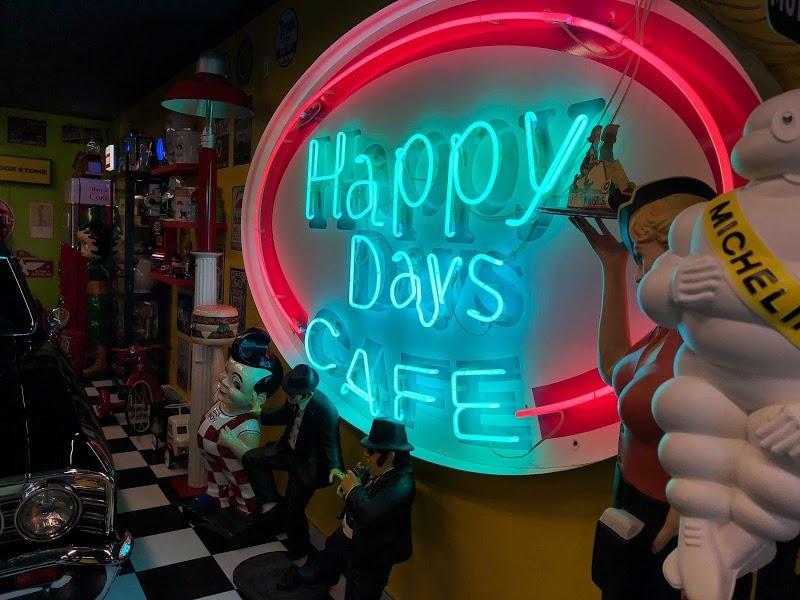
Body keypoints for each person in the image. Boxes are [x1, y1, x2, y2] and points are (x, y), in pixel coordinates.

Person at [570, 176, 744, 599]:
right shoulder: (669, 328)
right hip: (630, 507)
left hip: (677, 520)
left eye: (642, 258)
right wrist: (612, 266)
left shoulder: (721, 338)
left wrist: (706, 503)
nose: (639, 277)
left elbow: (753, 427)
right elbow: (616, 369)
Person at [240, 363, 344, 589]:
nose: (290, 399)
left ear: (308, 393)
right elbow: (282, 413)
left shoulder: (324, 410)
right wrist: (259, 412)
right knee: (252, 458)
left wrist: (335, 467)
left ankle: (300, 560)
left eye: (294, 396)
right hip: (287, 451)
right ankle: (271, 504)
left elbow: (331, 443)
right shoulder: (294, 399)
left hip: (307, 466)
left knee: (294, 512)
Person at [295, 418, 416, 600]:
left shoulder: (402, 484)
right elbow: (363, 491)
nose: (366, 454)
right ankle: (322, 579)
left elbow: (370, 512)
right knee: (331, 554)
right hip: (351, 533)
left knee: (360, 589)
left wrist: (352, 489)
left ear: (390, 456)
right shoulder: (379, 469)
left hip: (374, 551)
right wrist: (348, 486)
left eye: (372, 451)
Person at [201, 327, 282, 516]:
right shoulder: (221, 400)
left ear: (258, 398)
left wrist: (232, 442)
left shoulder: (247, 426)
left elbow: (250, 458)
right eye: (226, 371)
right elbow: (215, 380)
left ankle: (246, 511)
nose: (224, 381)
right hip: (216, 468)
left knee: (242, 489)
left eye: (236, 384)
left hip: (240, 481)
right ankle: (218, 498)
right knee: (217, 479)